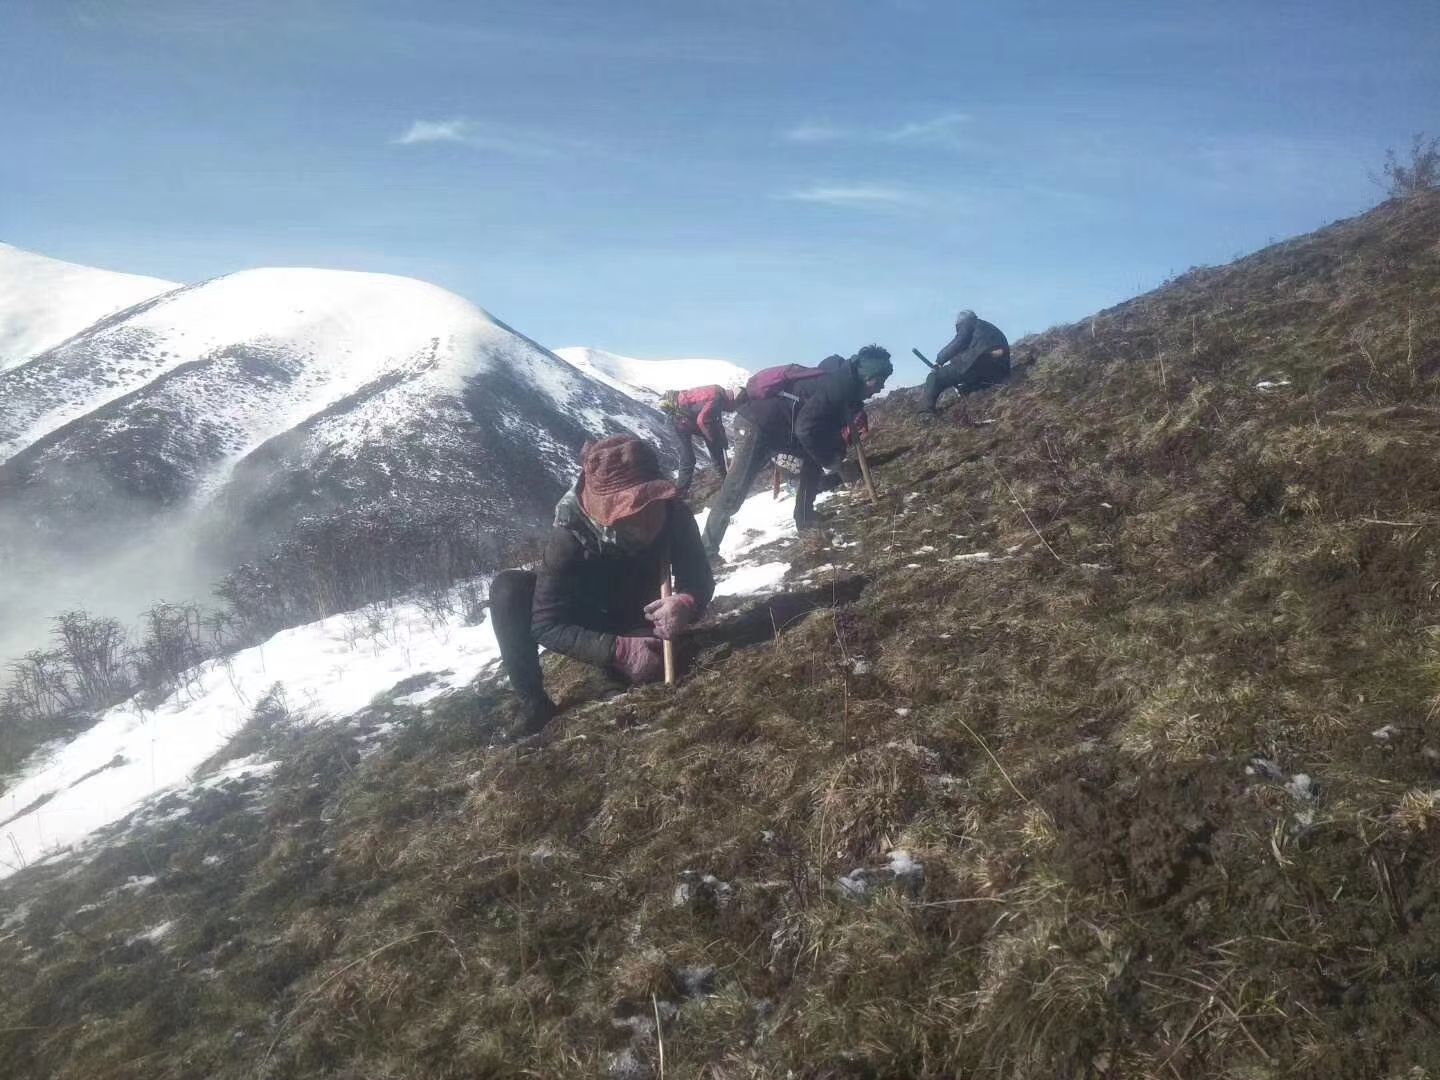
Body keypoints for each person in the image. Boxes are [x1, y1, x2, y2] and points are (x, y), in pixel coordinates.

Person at [489, 435, 715, 733]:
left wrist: (684, 603)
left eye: (648, 505)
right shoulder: (569, 536)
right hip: (587, 615)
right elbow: (545, 623)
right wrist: (616, 650)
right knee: (508, 591)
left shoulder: (675, 515)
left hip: (641, 614)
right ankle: (534, 703)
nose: (643, 520)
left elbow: (698, 578)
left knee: (651, 671)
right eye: (629, 512)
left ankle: (618, 666)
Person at [702, 345, 892, 556]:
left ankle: (805, 518)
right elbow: (805, 428)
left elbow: (822, 428)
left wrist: (834, 456)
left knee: (812, 463)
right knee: (734, 492)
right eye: (880, 381)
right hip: (756, 426)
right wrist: (835, 464)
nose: (882, 387)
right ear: (868, 377)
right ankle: (706, 551)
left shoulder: (847, 386)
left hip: (780, 429)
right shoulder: (837, 386)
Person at [922, 309, 1010, 412]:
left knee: (935, 377)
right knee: (965, 385)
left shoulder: (968, 324)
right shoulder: (989, 328)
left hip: (979, 364)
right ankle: (971, 390)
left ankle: (925, 412)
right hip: (1000, 371)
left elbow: (959, 342)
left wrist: (939, 360)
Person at [659, 385, 739, 495]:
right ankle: (679, 494)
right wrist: (713, 439)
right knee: (688, 459)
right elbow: (702, 421)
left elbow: (716, 421)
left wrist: (721, 440)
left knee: (715, 448)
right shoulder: (718, 399)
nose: (733, 409)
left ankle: (726, 481)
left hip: (687, 421)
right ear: (731, 400)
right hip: (677, 423)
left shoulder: (718, 395)